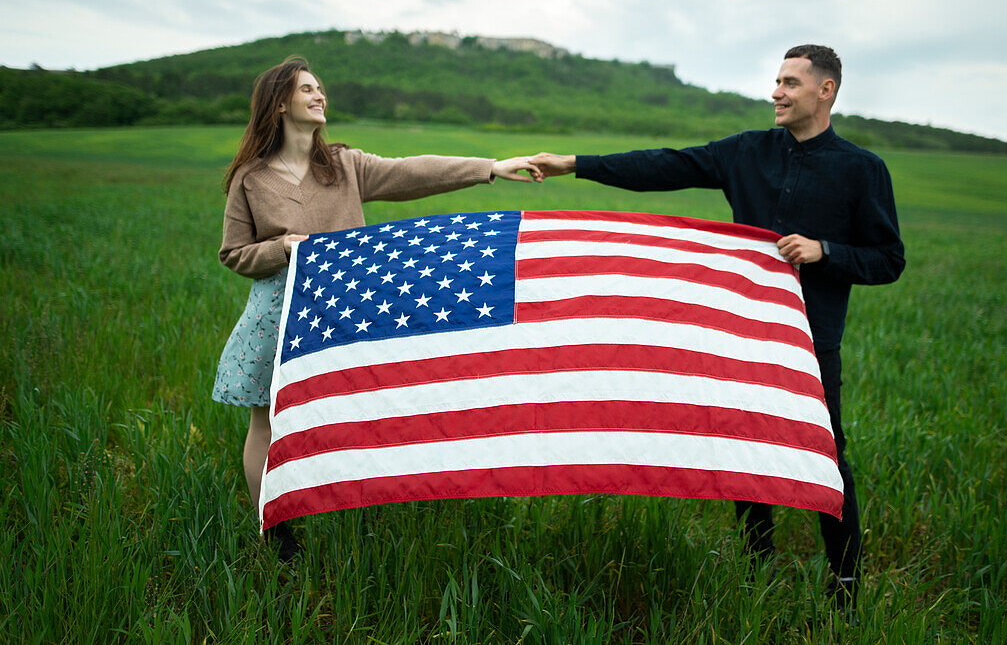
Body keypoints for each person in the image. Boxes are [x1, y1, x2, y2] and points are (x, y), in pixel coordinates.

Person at [528, 45, 904, 612]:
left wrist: (825, 251)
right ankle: (758, 565)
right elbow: (664, 165)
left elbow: (888, 259)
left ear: (825, 91)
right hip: (743, 331)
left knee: (827, 453)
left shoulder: (862, 169)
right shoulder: (746, 152)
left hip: (811, 341)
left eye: (791, 83)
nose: (777, 92)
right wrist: (577, 163)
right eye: (776, 81)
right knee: (747, 446)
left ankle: (846, 585)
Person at [212, 56, 542, 560]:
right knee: (268, 423)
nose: (319, 96)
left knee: (348, 417)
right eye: (307, 89)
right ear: (279, 103)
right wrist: (281, 248)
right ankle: (271, 532)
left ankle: (344, 508)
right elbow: (234, 254)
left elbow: (411, 172)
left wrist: (489, 169)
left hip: (343, 313)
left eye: (320, 88)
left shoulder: (343, 165)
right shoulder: (250, 179)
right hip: (279, 315)